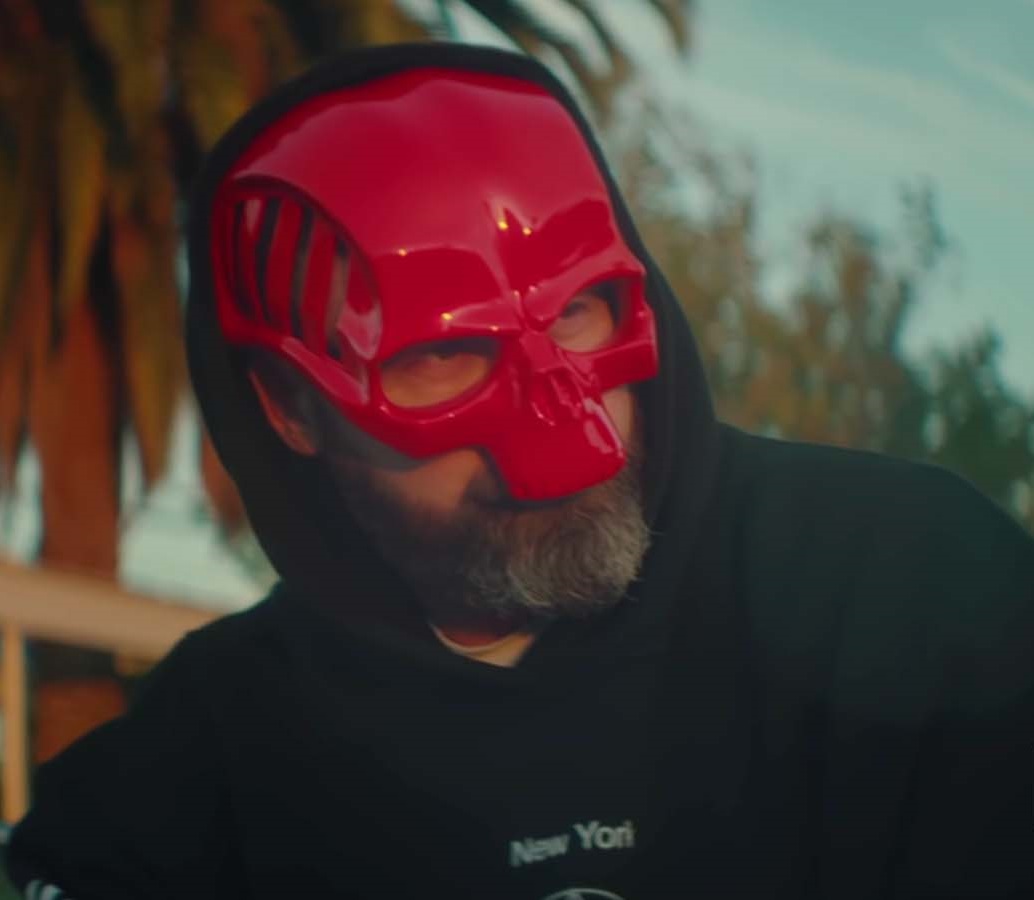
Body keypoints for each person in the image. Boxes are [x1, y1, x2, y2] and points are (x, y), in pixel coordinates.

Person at [4, 43, 1032, 900]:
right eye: (443, 353)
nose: (563, 434)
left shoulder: (915, 593)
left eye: (579, 309)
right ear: (290, 406)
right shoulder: (200, 770)